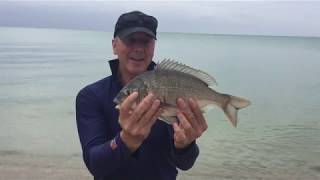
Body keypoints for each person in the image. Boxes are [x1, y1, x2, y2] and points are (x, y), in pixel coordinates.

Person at [76, 10, 208, 180]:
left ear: (153, 46)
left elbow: (185, 163)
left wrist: (185, 145)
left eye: (145, 41)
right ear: (114, 45)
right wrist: (125, 141)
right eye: (130, 40)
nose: (138, 48)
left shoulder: (169, 89)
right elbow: (95, 164)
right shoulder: (91, 96)